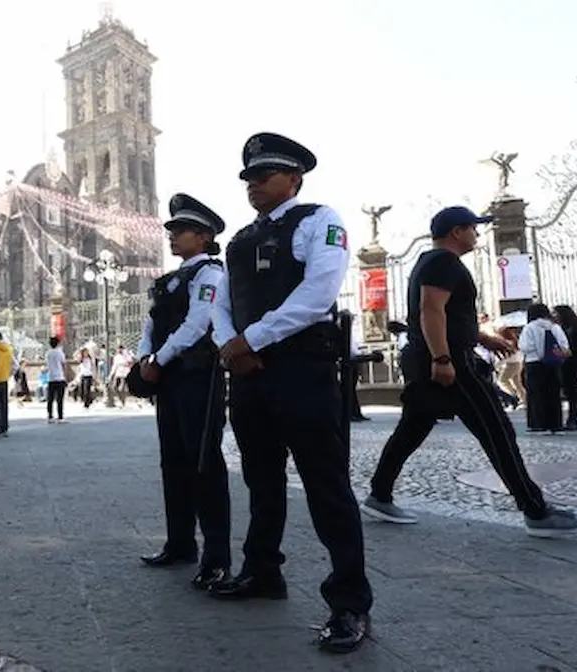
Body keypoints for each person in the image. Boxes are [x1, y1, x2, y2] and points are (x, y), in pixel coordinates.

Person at [209, 133, 371, 653]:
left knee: (326, 486)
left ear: (294, 178)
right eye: (250, 178)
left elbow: (318, 293)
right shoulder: (238, 240)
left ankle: (349, 601)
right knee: (261, 481)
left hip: (301, 369)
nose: (254, 184)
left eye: (265, 175)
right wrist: (231, 345)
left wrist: (250, 339)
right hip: (250, 374)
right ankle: (262, 571)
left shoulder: (319, 221)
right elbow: (222, 303)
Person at [361, 207, 577, 539]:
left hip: (432, 356)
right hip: (450, 362)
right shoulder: (445, 262)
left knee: (412, 429)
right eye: (473, 228)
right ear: (457, 232)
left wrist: (481, 336)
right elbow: (430, 310)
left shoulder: (428, 262)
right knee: (497, 431)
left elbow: (446, 314)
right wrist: (443, 358)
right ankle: (537, 511)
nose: (477, 234)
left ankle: (379, 494)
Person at [134, 193, 231, 592]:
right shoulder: (167, 280)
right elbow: (149, 325)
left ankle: (217, 557)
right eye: (171, 230)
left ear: (204, 236)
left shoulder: (210, 274)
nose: (172, 236)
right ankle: (179, 542)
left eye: (181, 230)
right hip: (170, 378)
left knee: (203, 463)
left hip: (196, 377)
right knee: (172, 462)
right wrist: (144, 359)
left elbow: (198, 324)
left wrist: (158, 359)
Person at [518, 303, 569, 433]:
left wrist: (536, 350)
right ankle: (555, 423)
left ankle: (538, 423)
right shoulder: (554, 327)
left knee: (536, 394)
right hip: (552, 363)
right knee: (553, 393)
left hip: (534, 363)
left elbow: (524, 346)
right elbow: (564, 344)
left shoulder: (529, 328)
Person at [45, 336, 67, 423]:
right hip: (59, 377)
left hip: (51, 378)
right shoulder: (60, 353)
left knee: (50, 398)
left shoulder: (48, 353)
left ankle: (50, 416)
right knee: (60, 399)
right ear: (58, 343)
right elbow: (63, 364)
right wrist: (65, 376)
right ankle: (60, 417)